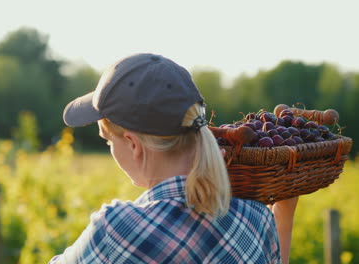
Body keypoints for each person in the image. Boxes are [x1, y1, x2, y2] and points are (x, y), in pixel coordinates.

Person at [49, 53, 297, 263]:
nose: (110, 149)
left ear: (134, 145)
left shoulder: (116, 230)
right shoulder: (257, 219)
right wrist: (284, 216)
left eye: (108, 141)